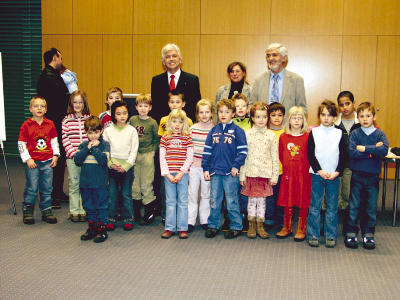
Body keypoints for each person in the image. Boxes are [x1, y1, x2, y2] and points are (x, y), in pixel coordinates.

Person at [344, 102, 389, 250]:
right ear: (358, 118)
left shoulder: (380, 133)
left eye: (368, 116)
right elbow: (352, 153)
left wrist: (364, 149)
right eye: (361, 116)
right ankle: (351, 232)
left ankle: (368, 233)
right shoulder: (356, 134)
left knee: (370, 207)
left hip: (373, 177)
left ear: (374, 117)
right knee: (354, 205)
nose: (365, 119)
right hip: (357, 175)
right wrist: (372, 152)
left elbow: (383, 150)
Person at [202, 99, 248, 239]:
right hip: (215, 172)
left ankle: (236, 226)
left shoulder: (238, 131)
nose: (223, 114)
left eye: (227, 112)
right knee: (214, 200)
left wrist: (236, 166)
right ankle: (213, 225)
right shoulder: (213, 131)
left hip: (230, 173)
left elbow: (243, 151)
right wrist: (205, 168)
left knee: (232, 200)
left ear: (233, 114)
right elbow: (207, 151)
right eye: (221, 111)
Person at [307, 100, 346, 248]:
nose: (326, 118)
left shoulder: (339, 133)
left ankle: (330, 235)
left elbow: (343, 155)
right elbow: (310, 154)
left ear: (335, 117)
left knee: (331, 207)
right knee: (315, 206)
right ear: (319, 116)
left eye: (330, 115)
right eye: (323, 115)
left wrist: (337, 172)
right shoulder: (314, 132)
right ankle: (313, 235)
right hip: (317, 174)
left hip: (334, 176)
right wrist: (319, 170)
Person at [240, 102, 279, 239]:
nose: (261, 120)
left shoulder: (271, 135)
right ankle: (251, 225)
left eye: (264, 117)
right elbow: (243, 156)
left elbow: (275, 157)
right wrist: (242, 175)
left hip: (265, 175)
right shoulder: (247, 134)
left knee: (262, 202)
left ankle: (260, 225)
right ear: (252, 118)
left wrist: (275, 176)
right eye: (258, 117)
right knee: (251, 201)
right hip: (250, 173)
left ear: (268, 118)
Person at [18, 96, 60, 225]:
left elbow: (54, 142)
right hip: (33, 162)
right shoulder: (26, 125)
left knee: (47, 187)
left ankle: (46, 210)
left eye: (42, 106)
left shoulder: (50, 124)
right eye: (36, 106)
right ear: (31, 109)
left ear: (46, 109)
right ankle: (28, 210)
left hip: (47, 161)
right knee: (32, 187)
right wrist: (27, 159)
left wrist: (56, 155)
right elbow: (21, 143)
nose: (39, 108)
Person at [37, 48, 70, 207]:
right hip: (53, 125)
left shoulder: (52, 76)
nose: (61, 61)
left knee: (59, 158)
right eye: (60, 58)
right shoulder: (49, 78)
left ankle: (56, 192)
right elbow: (59, 101)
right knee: (53, 159)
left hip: (55, 123)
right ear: (55, 58)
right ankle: (51, 195)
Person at [276, 106, 310, 242]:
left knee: (303, 200)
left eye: (299, 118)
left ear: (304, 121)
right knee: (287, 199)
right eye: (293, 118)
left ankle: (302, 228)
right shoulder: (284, 137)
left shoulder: (308, 137)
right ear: (288, 120)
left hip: (303, 175)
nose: (296, 121)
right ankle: (287, 226)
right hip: (288, 175)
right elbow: (280, 154)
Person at [103, 101, 139, 231]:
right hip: (112, 167)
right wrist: (111, 164)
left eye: (124, 113)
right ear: (113, 115)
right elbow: (105, 150)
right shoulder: (107, 131)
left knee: (126, 194)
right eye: (118, 113)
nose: (122, 116)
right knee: (112, 194)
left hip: (127, 168)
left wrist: (126, 166)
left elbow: (134, 150)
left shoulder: (132, 130)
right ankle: (110, 218)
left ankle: (128, 218)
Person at [74, 116, 110, 243]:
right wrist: (87, 148)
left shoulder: (104, 145)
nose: (93, 136)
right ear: (86, 133)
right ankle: (92, 227)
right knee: (88, 205)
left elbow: (103, 161)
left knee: (101, 206)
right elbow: (77, 160)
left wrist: (94, 148)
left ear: (101, 131)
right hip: (86, 183)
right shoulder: (83, 145)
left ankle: (102, 229)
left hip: (100, 184)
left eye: (96, 132)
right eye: (90, 132)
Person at [160, 109, 193, 239]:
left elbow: (189, 157)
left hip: (182, 174)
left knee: (183, 201)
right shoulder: (165, 138)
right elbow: (162, 158)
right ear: (169, 123)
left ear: (184, 124)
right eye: (174, 121)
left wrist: (181, 173)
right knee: (170, 201)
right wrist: (167, 174)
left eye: (180, 122)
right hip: (169, 174)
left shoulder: (187, 138)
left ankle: (182, 228)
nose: (177, 125)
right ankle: (170, 227)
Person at [250, 43, 307, 117]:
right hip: (263, 127)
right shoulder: (258, 80)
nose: (270, 58)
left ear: (284, 58)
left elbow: (302, 109)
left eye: (274, 55)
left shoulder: (296, 80)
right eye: (268, 56)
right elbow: (252, 107)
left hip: (287, 127)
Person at [128, 94, 159, 225]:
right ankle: (136, 212)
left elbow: (156, 139)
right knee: (135, 185)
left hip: (147, 155)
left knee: (146, 184)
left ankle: (149, 212)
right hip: (134, 155)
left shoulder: (152, 122)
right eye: (140, 106)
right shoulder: (133, 120)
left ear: (150, 107)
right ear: (136, 107)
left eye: (146, 106)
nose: (143, 109)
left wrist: (152, 151)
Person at [151, 43, 201, 123]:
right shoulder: (156, 81)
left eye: (174, 56)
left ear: (180, 60)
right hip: (164, 127)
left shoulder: (192, 80)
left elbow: (196, 106)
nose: (171, 59)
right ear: (163, 62)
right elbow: (155, 107)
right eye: (167, 57)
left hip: (186, 126)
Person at [62, 90, 91, 222]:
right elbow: (65, 138)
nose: (78, 105)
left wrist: (86, 153)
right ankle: (74, 210)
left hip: (87, 158)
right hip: (72, 158)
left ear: (84, 104)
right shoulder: (66, 120)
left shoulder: (89, 119)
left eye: (80, 102)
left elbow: (92, 137)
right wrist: (74, 154)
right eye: (75, 102)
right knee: (74, 183)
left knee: (85, 184)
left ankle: (84, 209)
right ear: (71, 104)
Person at [334, 91, 360, 234]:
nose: (345, 107)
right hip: (337, 165)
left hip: (353, 165)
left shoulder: (360, 122)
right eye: (341, 105)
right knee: (335, 195)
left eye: (347, 103)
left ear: (353, 103)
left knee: (349, 194)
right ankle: (331, 224)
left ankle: (349, 226)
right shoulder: (335, 123)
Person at [187, 99, 214, 233]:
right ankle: (190, 220)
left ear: (211, 113)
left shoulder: (215, 129)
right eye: (201, 112)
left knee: (206, 194)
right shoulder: (192, 129)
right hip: (193, 167)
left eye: (207, 112)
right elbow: (189, 148)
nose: (204, 115)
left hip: (207, 168)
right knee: (192, 193)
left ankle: (204, 219)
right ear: (197, 114)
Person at [265, 102, 286, 229]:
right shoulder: (266, 132)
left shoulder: (286, 133)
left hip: (283, 171)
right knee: (269, 196)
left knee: (281, 196)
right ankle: (269, 218)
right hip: (268, 171)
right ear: (268, 117)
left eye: (280, 115)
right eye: (273, 115)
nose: (277, 118)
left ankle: (281, 219)